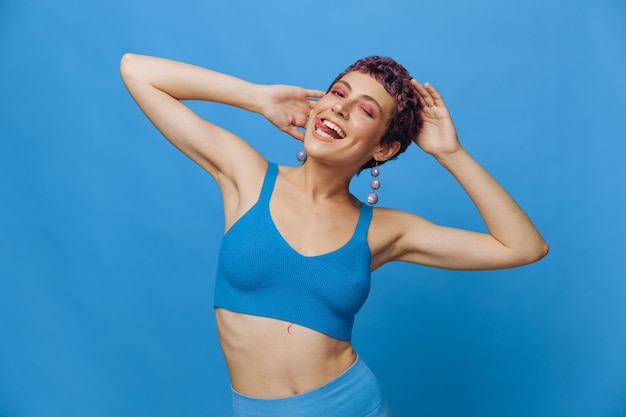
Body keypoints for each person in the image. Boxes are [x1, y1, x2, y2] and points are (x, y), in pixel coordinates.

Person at [120, 53, 548, 417]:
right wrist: (255, 96)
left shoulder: (385, 230)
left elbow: (524, 247)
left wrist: (450, 154)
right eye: (338, 93)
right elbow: (136, 70)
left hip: (350, 405)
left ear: (382, 149)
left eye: (366, 110)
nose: (340, 108)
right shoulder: (246, 176)